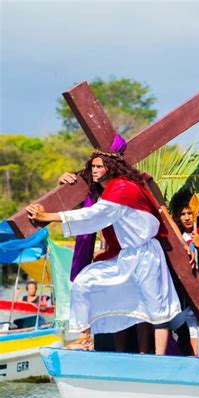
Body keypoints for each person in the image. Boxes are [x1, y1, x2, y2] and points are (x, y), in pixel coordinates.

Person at [26, 142, 181, 355]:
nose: (95, 170)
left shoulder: (123, 188)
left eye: (100, 166)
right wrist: (65, 183)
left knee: (156, 309)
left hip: (146, 254)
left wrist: (49, 217)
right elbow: (88, 202)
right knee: (84, 283)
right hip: (123, 255)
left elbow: (94, 215)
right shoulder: (106, 190)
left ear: (111, 166)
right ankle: (84, 336)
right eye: (93, 166)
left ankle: (159, 358)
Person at [170, 189, 199, 356]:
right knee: (190, 342)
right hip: (185, 301)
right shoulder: (177, 239)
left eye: (190, 213)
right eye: (182, 214)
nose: (187, 217)